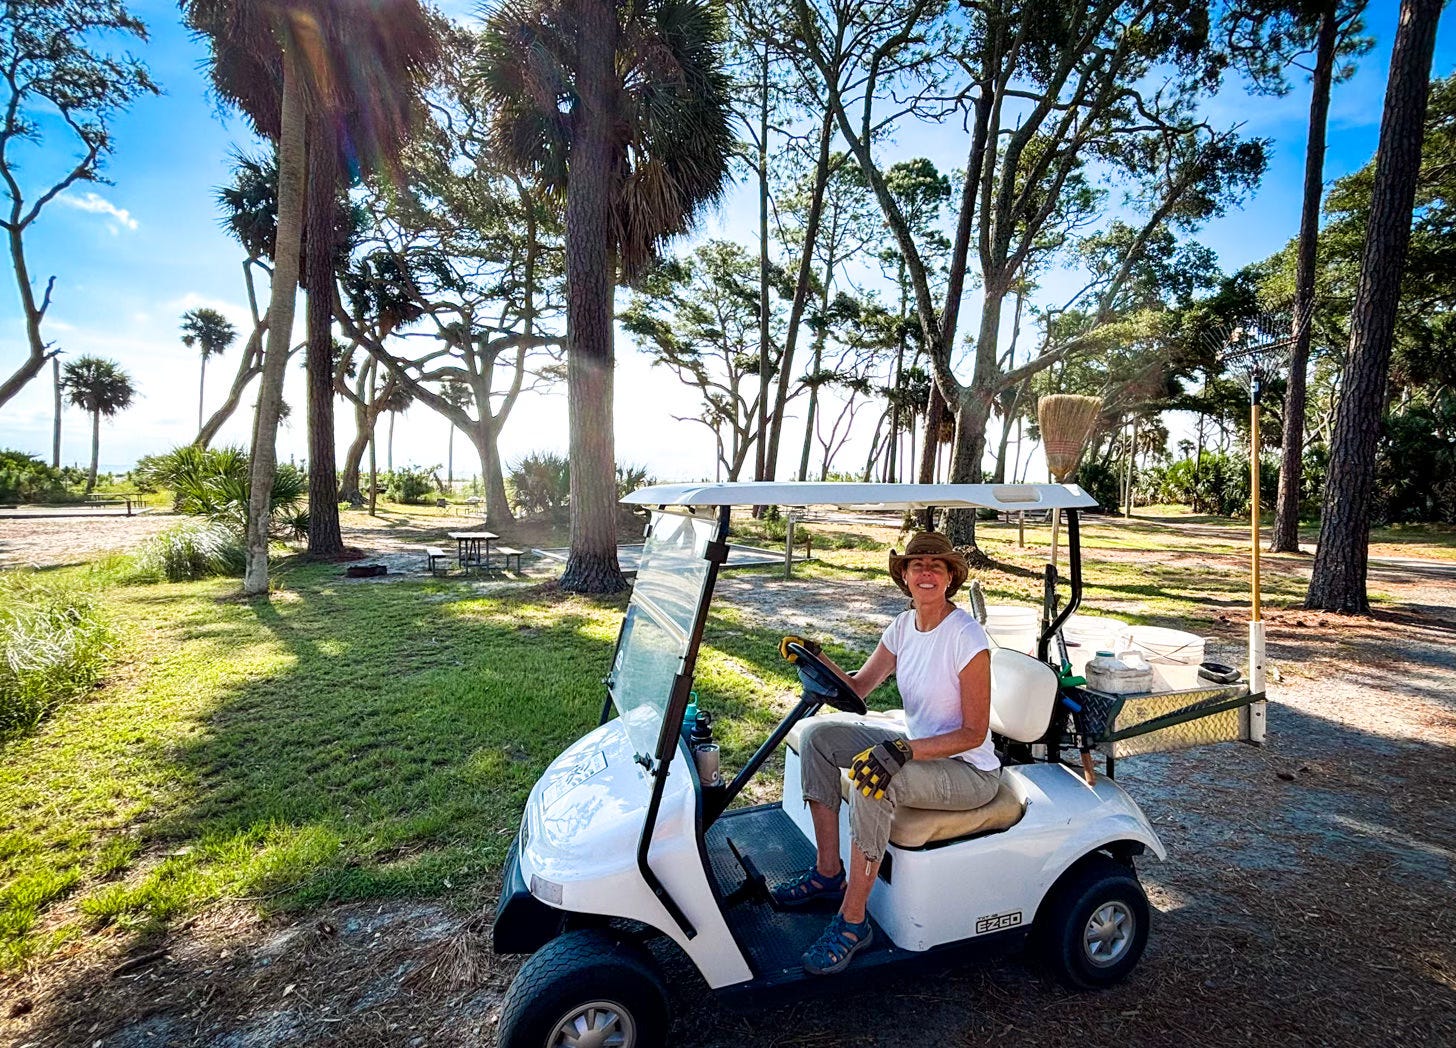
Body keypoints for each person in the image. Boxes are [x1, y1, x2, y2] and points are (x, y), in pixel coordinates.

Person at [774, 531, 1000, 976]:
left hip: (967, 770)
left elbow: (973, 733)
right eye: (918, 565)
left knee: (871, 776)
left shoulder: (966, 637)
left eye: (937, 565)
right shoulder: (902, 627)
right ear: (905, 576)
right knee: (819, 739)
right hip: (915, 752)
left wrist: (903, 750)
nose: (927, 572)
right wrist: (815, 657)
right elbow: (858, 688)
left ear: (951, 576)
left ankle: (854, 921)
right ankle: (827, 873)